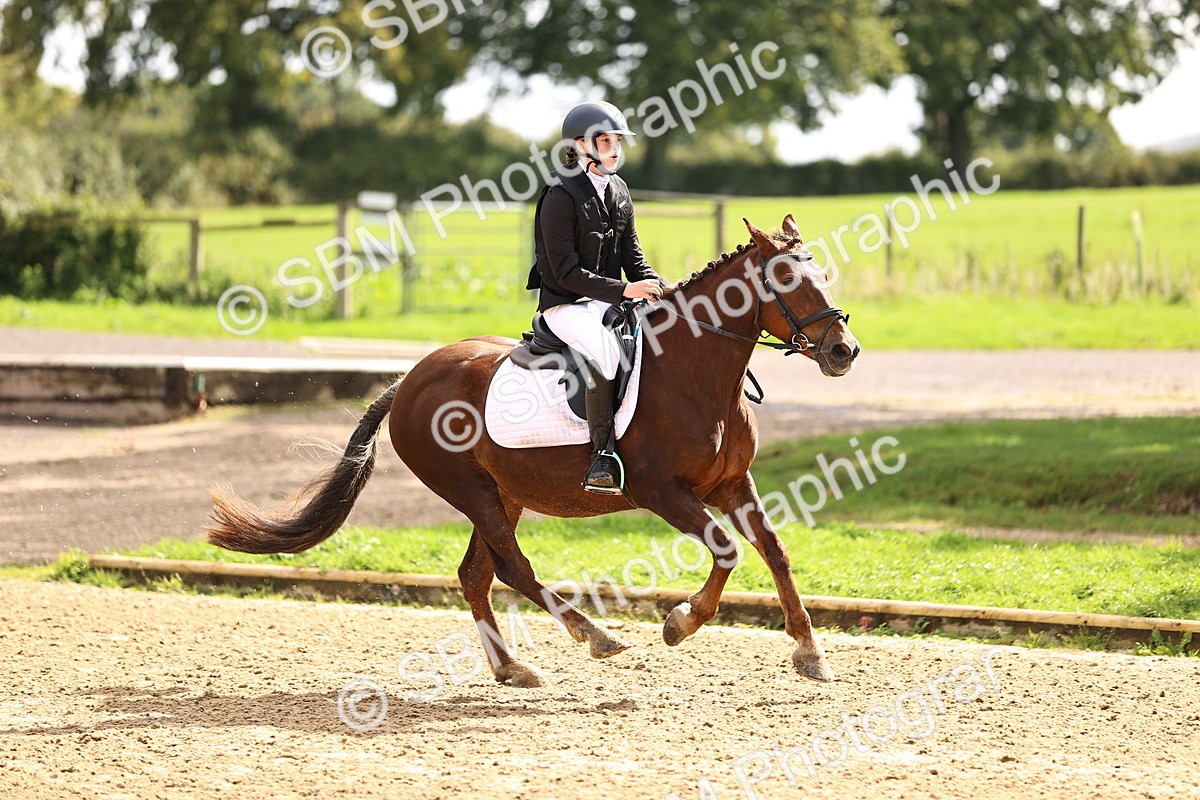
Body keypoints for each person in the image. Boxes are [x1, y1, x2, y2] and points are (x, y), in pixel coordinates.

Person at [526, 101, 666, 494]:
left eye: (617, 141)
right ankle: (602, 457)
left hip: (608, 301)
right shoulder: (560, 194)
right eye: (604, 141)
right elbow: (565, 272)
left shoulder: (619, 189)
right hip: (565, 305)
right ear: (579, 146)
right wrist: (624, 291)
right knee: (607, 352)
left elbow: (633, 258)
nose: (614, 149)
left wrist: (667, 289)